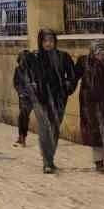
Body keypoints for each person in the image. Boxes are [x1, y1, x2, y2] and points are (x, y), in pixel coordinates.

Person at [23, 28, 80, 174]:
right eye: (45, 41)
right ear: (40, 42)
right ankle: (47, 162)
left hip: (58, 99)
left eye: (51, 41)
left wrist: (67, 87)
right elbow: (25, 76)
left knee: (54, 128)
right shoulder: (33, 58)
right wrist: (32, 89)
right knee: (44, 129)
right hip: (40, 100)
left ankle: (50, 159)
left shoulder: (63, 57)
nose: (48, 44)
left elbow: (72, 76)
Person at [75, 40, 104, 173]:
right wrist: (66, 87)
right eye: (99, 53)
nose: (102, 55)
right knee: (96, 130)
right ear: (93, 52)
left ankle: (101, 160)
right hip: (90, 103)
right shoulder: (85, 62)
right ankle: (99, 162)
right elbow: (74, 76)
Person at [10, 50, 33, 147]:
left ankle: (22, 136)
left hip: (33, 96)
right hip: (23, 97)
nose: (23, 62)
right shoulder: (18, 70)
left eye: (25, 60)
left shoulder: (34, 70)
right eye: (22, 60)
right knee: (23, 116)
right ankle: (21, 136)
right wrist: (21, 92)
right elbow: (16, 83)